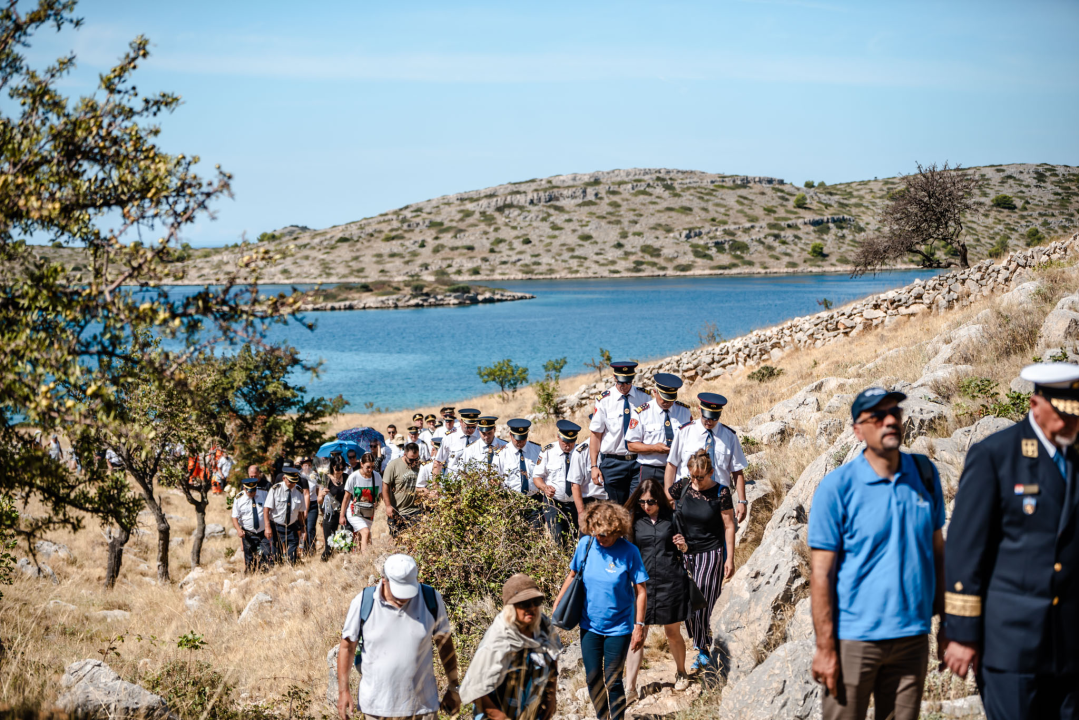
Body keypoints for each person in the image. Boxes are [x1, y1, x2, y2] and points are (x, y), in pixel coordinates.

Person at [943, 364, 1079, 720]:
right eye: (1064, 414)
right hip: (1012, 645)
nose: (1072, 422)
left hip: (1070, 644)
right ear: (1036, 405)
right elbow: (965, 549)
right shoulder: (996, 455)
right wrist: (961, 632)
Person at [808, 388, 946, 720]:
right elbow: (821, 575)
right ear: (858, 431)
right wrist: (825, 648)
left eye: (894, 413)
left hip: (912, 638)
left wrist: (948, 622)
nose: (889, 421)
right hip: (854, 641)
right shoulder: (837, 488)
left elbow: (939, 556)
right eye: (878, 416)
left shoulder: (925, 475)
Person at [553, 501, 648, 720]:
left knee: (613, 680)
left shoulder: (629, 552)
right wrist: (558, 603)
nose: (599, 538)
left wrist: (639, 626)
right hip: (590, 624)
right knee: (592, 678)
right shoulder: (586, 544)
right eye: (595, 533)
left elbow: (641, 590)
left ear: (616, 530)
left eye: (604, 534)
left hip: (619, 626)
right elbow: (572, 575)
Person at [337, 553, 461, 720]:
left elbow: (445, 644)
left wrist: (454, 687)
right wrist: (343, 691)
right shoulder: (363, 602)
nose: (404, 597)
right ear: (384, 580)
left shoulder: (431, 598)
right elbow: (347, 647)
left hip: (423, 709)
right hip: (377, 709)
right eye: (399, 590)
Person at [624, 477, 692, 702]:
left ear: (659, 500)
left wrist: (683, 545)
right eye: (642, 502)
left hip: (670, 581)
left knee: (672, 633)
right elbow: (628, 550)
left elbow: (686, 547)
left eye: (651, 502)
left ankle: (681, 672)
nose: (646, 506)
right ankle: (630, 688)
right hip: (642, 585)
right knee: (638, 634)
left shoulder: (672, 517)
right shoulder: (634, 521)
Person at [669, 449, 736, 672]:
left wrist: (730, 558)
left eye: (700, 477)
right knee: (688, 601)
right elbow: (663, 502)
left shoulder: (721, 492)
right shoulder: (682, 487)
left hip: (711, 552)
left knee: (704, 599)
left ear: (711, 472)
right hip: (685, 553)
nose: (696, 481)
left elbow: (729, 526)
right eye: (693, 476)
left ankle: (706, 647)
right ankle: (701, 645)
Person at [460, 574, 562, 720]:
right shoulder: (498, 639)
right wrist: (501, 717)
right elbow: (475, 690)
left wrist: (551, 696)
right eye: (525, 604)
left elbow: (553, 656)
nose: (532, 608)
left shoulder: (543, 626)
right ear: (511, 607)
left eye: (536, 602)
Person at [665, 393, 749, 525]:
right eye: (706, 417)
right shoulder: (684, 432)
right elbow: (672, 465)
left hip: (718, 500)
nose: (709, 422)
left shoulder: (729, 436)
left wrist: (742, 501)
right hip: (688, 499)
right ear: (699, 409)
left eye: (714, 418)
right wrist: (668, 496)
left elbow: (737, 471)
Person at [589, 361, 651, 505]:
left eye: (628, 382)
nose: (624, 386)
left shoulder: (644, 397)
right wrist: (593, 466)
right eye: (621, 382)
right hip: (613, 463)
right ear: (614, 377)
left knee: (637, 506)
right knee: (617, 509)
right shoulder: (604, 400)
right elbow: (596, 435)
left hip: (638, 461)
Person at [625, 373, 691, 490]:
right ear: (655, 392)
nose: (667, 402)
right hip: (652, 469)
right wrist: (654, 448)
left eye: (670, 399)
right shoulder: (642, 413)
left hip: (678, 469)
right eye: (664, 398)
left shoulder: (684, 411)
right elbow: (631, 445)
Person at [534, 419, 583, 544]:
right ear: (558, 437)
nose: (568, 446)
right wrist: (545, 488)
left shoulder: (581, 453)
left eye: (571, 442)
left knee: (575, 538)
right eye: (565, 442)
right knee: (558, 538)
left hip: (575, 504)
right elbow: (537, 477)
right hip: (554, 503)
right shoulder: (548, 452)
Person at [263, 466, 307, 565]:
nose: (293, 484)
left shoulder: (299, 491)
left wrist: (303, 527)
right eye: (291, 481)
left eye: (295, 481)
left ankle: (290, 565)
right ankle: (279, 567)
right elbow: (266, 509)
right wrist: (267, 527)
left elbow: (300, 512)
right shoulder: (275, 489)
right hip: (277, 526)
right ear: (284, 478)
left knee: (293, 548)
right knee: (276, 553)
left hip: (291, 525)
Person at [341, 453, 382, 554]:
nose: (370, 470)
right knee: (365, 532)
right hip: (354, 510)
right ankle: (365, 559)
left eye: (372, 467)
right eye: (368, 467)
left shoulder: (376, 476)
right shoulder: (353, 477)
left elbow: (380, 495)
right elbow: (346, 497)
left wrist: (378, 505)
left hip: (369, 511)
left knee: (365, 537)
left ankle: (358, 557)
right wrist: (342, 516)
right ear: (361, 464)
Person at [568, 416, 608, 519]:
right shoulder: (581, 452)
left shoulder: (616, 448)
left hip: (613, 501)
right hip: (592, 502)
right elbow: (575, 484)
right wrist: (581, 513)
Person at [383, 442, 423, 537]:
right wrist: (388, 506)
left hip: (415, 511)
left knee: (416, 539)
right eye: (411, 459)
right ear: (405, 454)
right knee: (397, 539)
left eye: (416, 459)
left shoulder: (421, 466)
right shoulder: (393, 465)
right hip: (398, 511)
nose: (414, 462)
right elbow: (385, 485)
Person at [231, 475, 266, 572]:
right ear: (244, 489)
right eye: (250, 491)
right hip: (248, 533)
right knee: (249, 557)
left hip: (263, 532)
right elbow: (234, 517)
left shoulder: (264, 493)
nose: (252, 493)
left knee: (264, 555)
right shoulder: (239, 498)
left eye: (254, 490)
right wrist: (239, 530)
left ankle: (264, 573)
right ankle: (250, 575)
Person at [435, 408, 481, 476]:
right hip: (453, 480)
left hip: (475, 479)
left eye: (473, 427)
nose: (470, 430)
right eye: (467, 427)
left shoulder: (481, 438)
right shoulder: (450, 438)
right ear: (461, 422)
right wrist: (435, 481)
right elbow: (438, 462)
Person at [321, 462, 349, 560]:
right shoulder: (326, 479)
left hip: (344, 511)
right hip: (330, 513)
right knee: (329, 541)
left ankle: (343, 559)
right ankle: (327, 559)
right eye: (337, 469)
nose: (340, 471)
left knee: (346, 538)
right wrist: (323, 494)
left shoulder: (346, 477)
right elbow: (319, 500)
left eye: (342, 469)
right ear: (332, 467)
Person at [301, 457, 322, 555]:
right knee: (303, 528)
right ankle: (304, 549)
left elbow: (318, 490)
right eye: (305, 465)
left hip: (313, 504)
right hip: (301, 506)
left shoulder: (315, 476)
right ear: (302, 466)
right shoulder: (299, 477)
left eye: (309, 465)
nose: (308, 467)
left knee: (310, 528)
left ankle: (311, 549)